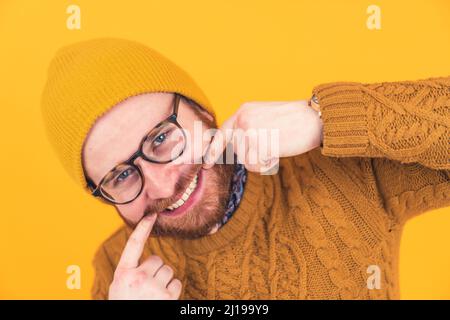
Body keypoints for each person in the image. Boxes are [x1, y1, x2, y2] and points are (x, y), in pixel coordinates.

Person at [41, 38, 449, 300]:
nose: (162, 183)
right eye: (120, 175)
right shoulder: (117, 272)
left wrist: (326, 119)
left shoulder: (341, 170)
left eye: (162, 137)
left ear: (202, 112)